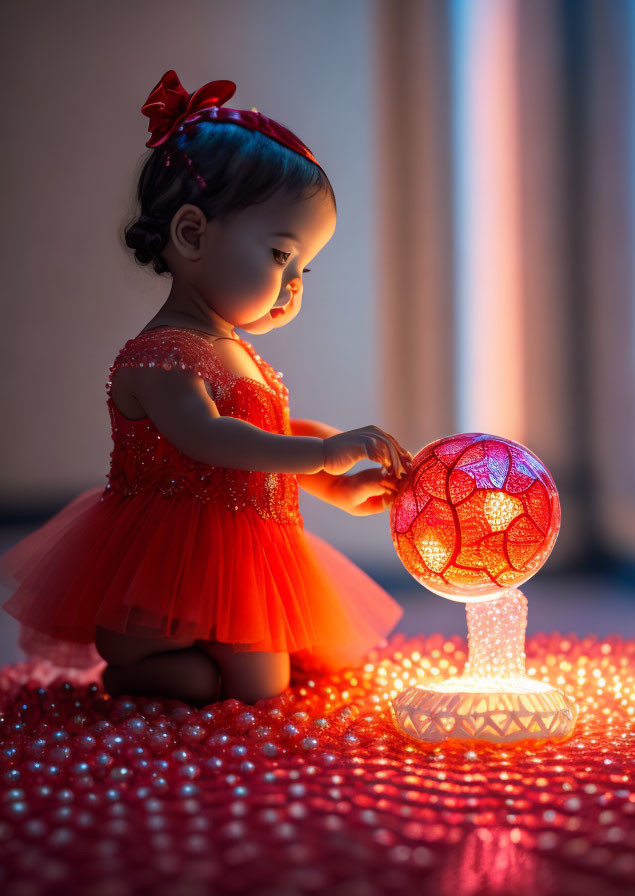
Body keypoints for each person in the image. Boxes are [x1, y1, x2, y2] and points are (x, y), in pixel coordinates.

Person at [0, 70, 413, 706]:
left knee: (266, 683)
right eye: (281, 256)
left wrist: (336, 482)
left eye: (306, 266)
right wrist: (328, 453)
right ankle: (136, 669)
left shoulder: (235, 349)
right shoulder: (159, 356)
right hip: (163, 577)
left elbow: (270, 436)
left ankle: (209, 666)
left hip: (243, 556)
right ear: (193, 235)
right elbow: (215, 439)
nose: (295, 282)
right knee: (230, 687)